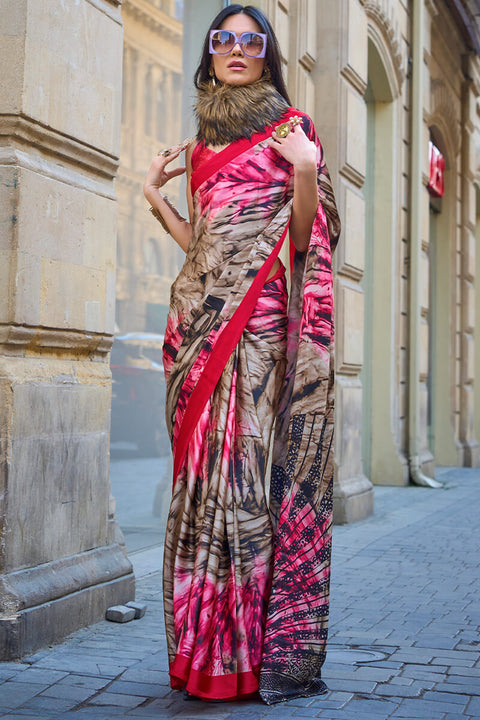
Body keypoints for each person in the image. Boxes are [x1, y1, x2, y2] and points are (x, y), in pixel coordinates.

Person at [143, 4, 340, 706]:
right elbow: (204, 250)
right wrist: (153, 199)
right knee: (199, 491)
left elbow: (301, 244)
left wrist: (308, 172)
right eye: (221, 38)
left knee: (246, 492)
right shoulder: (199, 147)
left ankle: (247, 657)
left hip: (257, 344)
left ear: (265, 53)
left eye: (248, 40)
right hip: (199, 337)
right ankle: (201, 654)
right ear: (209, 52)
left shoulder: (292, 134)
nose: (234, 48)